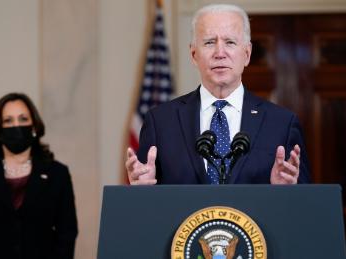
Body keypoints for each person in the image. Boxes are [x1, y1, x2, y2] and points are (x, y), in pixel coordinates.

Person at [126, 4, 310, 185]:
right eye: (209, 42)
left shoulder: (282, 124)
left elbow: (304, 206)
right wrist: (142, 190)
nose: (219, 53)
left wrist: (285, 192)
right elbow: (146, 205)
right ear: (193, 54)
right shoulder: (160, 122)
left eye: (230, 42)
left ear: (247, 54)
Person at [0, 93, 78, 259]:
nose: (16, 126)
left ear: (34, 127)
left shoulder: (57, 174)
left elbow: (67, 234)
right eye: (8, 121)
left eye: (23, 119)